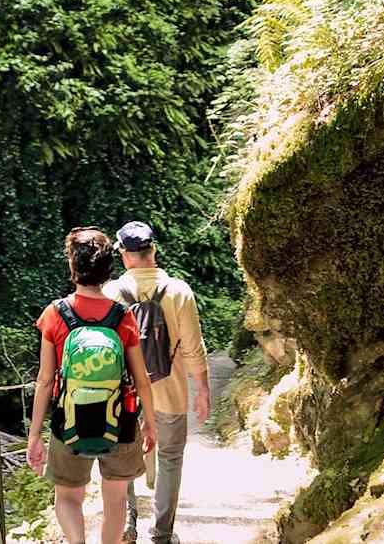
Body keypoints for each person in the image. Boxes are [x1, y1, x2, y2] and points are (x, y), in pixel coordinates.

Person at [28, 227, 160, 544]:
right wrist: (150, 424)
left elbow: (45, 380)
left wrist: (35, 435)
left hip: (68, 420)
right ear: (107, 270)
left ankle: (77, 542)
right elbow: (140, 377)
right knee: (115, 500)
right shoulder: (122, 316)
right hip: (121, 420)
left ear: (73, 267)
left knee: (68, 498)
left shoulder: (55, 314)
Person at [107, 221, 209, 544]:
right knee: (170, 458)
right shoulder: (179, 291)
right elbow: (193, 346)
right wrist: (202, 389)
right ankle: (161, 533)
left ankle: (127, 522)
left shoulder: (110, 293)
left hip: (124, 395)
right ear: (153, 250)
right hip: (170, 392)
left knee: (123, 457)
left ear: (125, 255)